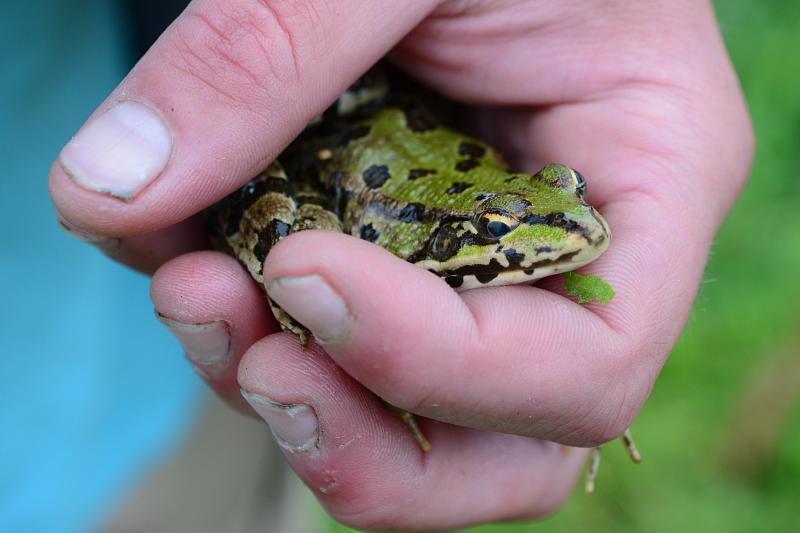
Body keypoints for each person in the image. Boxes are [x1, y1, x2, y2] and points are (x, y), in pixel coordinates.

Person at [50, 0, 753, 530]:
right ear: (477, 229)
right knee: (301, 268)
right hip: (321, 173)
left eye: (564, 193)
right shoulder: (413, 251)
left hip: (161, 414)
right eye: (504, 228)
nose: (575, 226)